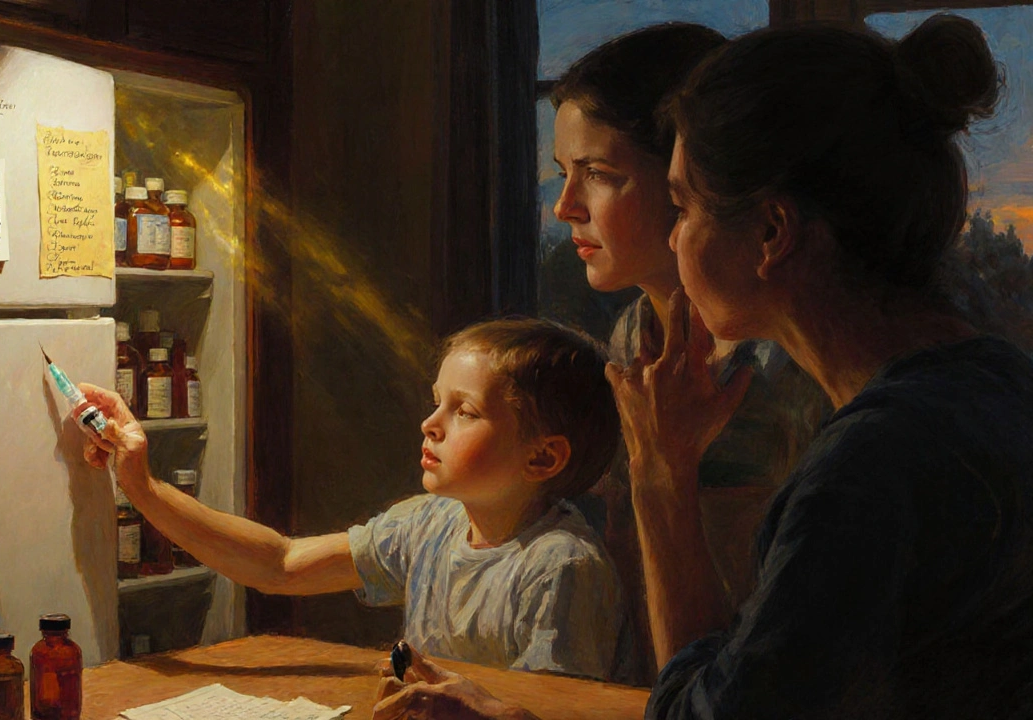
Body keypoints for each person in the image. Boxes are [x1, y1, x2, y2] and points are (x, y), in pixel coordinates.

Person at [374, 14, 1033, 720]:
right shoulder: (991, 382)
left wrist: (662, 479)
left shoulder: (866, 465)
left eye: (683, 206)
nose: (676, 234)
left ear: (772, 233)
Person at [82, 317, 627, 681]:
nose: (429, 424)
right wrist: (142, 485)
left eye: (464, 411)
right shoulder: (430, 523)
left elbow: (554, 713)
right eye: (437, 402)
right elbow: (282, 563)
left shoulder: (562, 567)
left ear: (541, 459)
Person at [551, 22, 831, 682]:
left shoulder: (797, 364)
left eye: (599, 175)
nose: (566, 206)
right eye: (563, 175)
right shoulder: (630, 341)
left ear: (691, 178)